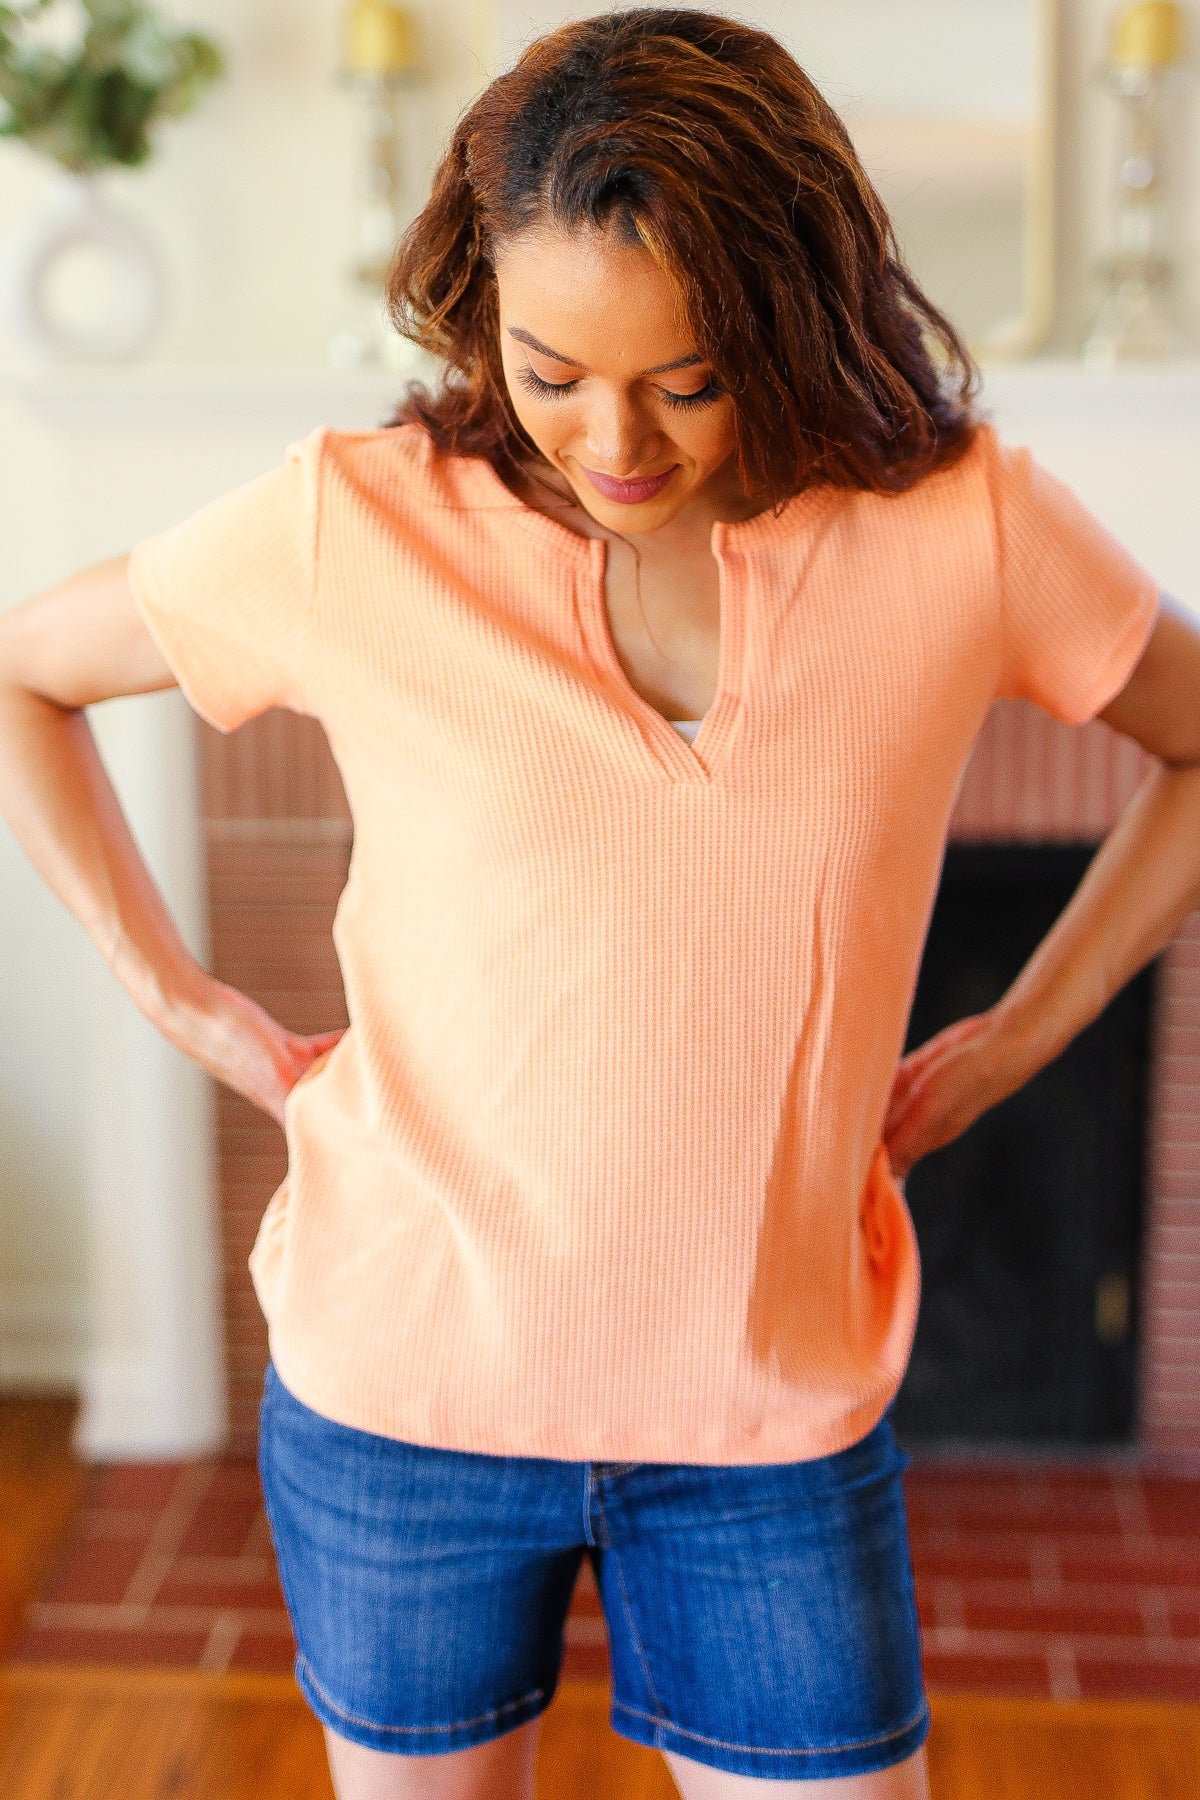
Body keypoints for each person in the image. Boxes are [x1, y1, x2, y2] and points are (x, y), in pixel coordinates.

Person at [2, 7, 1199, 1797]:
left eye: (689, 377)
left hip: (769, 1423)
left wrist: (1023, 1033)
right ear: (481, 302)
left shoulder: (970, 532)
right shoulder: (359, 526)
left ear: (790, 318)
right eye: (551, 368)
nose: (610, 441)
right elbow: (27, 677)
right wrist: (181, 999)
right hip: (400, 1403)